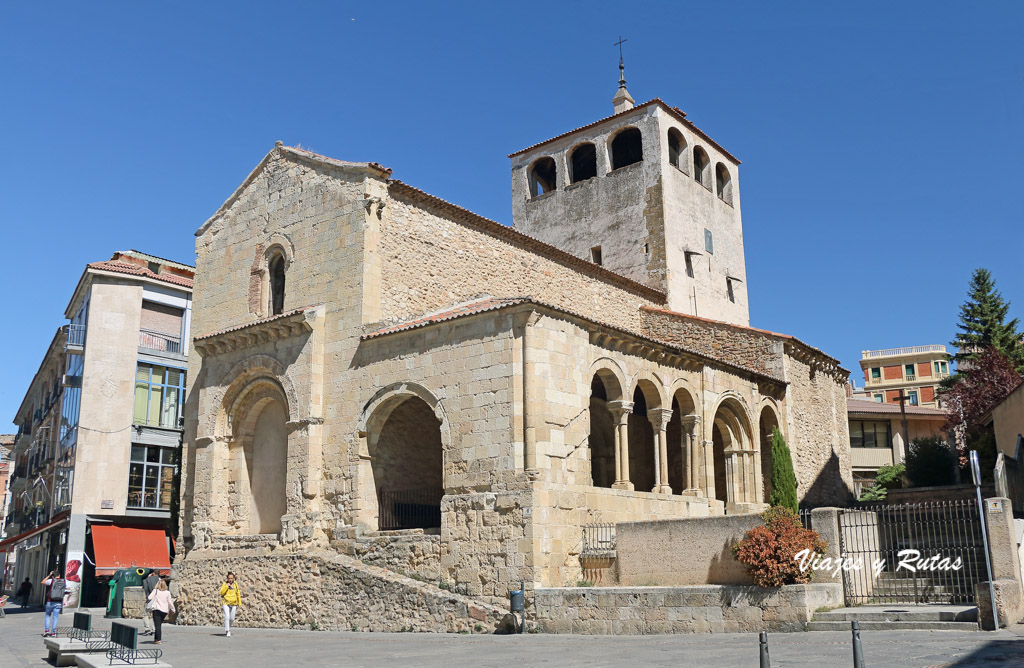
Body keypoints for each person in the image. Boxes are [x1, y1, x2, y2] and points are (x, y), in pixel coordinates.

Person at [146, 579, 175, 644]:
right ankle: (156, 639)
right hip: (164, 611)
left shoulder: (155, 591)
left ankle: (158, 639)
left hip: (157, 610)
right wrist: (173, 609)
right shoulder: (167, 592)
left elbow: (149, 598)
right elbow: (170, 602)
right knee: (158, 624)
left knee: (157, 625)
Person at [40, 570, 66, 637]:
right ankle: (53, 632)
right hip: (59, 602)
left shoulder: (51, 581)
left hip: (50, 601)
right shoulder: (64, 581)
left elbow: (42, 582)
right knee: (55, 617)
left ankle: (46, 631)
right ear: (59, 575)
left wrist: (49, 575)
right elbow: (67, 590)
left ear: (53, 576)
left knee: (48, 615)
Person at [219, 572, 241, 637]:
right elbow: (221, 593)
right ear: (227, 578)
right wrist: (226, 586)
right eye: (229, 578)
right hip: (226, 602)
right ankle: (227, 630)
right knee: (227, 616)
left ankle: (228, 626)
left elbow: (238, 593)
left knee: (232, 618)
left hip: (233, 603)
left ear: (233, 578)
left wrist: (239, 603)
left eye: (231, 578)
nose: (230, 580)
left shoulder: (235, 584)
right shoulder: (224, 584)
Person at [141, 571, 160, 635]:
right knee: (155, 615)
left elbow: (144, 588)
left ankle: (147, 629)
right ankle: (154, 630)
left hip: (149, 600)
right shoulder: (161, 581)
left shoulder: (147, 580)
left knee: (145, 614)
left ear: (153, 573)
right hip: (158, 601)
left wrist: (148, 577)